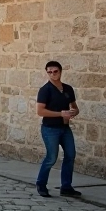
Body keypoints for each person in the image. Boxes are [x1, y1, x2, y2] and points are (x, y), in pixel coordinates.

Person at [35, 60, 80, 198]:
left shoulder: (68, 89)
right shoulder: (45, 90)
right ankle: (41, 185)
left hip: (65, 128)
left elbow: (74, 107)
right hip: (50, 129)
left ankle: (66, 187)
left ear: (60, 71)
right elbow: (40, 111)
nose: (53, 74)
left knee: (70, 155)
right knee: (51, 157)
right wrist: (60, 113)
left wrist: (73, 112)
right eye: (49, 72)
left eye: (55, 71)